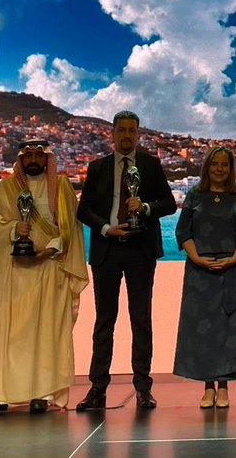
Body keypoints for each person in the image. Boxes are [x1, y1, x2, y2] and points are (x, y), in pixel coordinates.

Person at [0, 138, 88, 414]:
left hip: (51, 269)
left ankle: (43, 393)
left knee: (46, 334)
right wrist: (15, 229)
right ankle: (1, 394)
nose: (34, 159)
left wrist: (49, 250)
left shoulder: (62, 188)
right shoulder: (7, 188)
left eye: (40, 155)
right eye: (29, 156)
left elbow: (71, 228)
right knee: (11, 334)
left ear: (47, 159)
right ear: (22, 161)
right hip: (15, 276)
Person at [75, 110, 176, 411]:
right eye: (122, 131)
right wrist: (106, 228)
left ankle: (143, 389)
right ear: (113, 133)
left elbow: (169, 203)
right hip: (107, 249)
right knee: (104, 321)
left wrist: (144, 207)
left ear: (139, 134)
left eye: (132, 131)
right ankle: (97, 389)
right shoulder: (98, 167)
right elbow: (84, 210)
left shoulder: (151, 165)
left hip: (140, 251)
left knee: (141, 320)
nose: (127, 136)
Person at [173, 146, 236, 409]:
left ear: (231, 169)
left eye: (224, 165)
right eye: (214, 164)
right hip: (200, 273)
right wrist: (197, 258)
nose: (219, 169)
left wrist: (233, 258)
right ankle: (207, 387)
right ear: (207, 167)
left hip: (231, 271)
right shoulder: (194, 197)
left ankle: (224, 387)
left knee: (228, 331)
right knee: (201, 334)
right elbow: (183, 232)